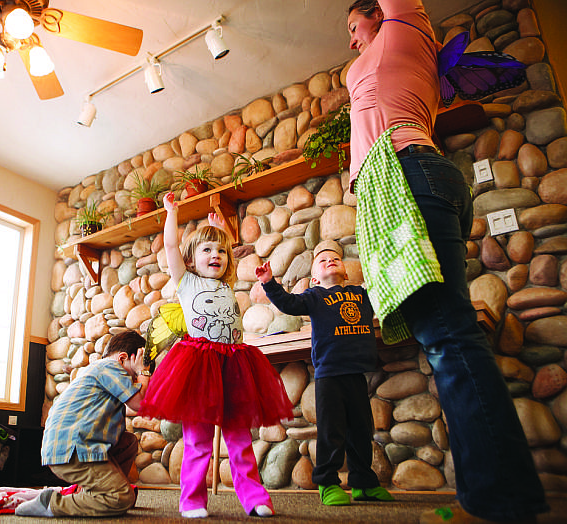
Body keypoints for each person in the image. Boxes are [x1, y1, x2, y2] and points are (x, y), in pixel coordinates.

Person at [345, 1, 548, 522]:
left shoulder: (405, 32)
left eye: (355, 25)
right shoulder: (393, 54)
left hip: (410, 177)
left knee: (447, 337)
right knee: (446, 336)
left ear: (381, 14)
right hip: (411, 181)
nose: (351, 40)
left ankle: (498, 503)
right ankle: (492, 498)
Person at [138, 192, 294, 519]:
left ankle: (254, 498)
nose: (216, 255)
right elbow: (171, 247)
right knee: (198, 441)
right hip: (199, 367)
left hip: (233, 365)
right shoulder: (186, 282)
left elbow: (227, 251)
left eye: (221, 251)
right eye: (207, 250)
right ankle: (191, 500)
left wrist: (222, 230)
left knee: (240, 439)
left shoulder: (227, 283)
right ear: (190, 261)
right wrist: (171, 213)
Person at [256, 240, 394, 506]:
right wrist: (268, 282)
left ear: (346, 272)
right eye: (323, 260)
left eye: (336, 259)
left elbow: (385, 289)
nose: (330, 260)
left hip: (356, 373)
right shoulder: (314, 297)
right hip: (329, 374)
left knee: (361, 430)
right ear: (315, 279)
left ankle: (363, 483)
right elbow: (288, 303)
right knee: (332, 431)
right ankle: (328, 482)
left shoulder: (361, 294)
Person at [15, 330, 149, 518]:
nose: (135, 380)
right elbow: (141, 404)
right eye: (133, 374)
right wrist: (143, 370)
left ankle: (102, 490)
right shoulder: (110, 367)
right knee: (121, 499)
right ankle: (52, 504)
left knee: (128, 441)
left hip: (74, 448)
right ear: (122, 358)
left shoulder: (99, 370)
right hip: (74, 450)